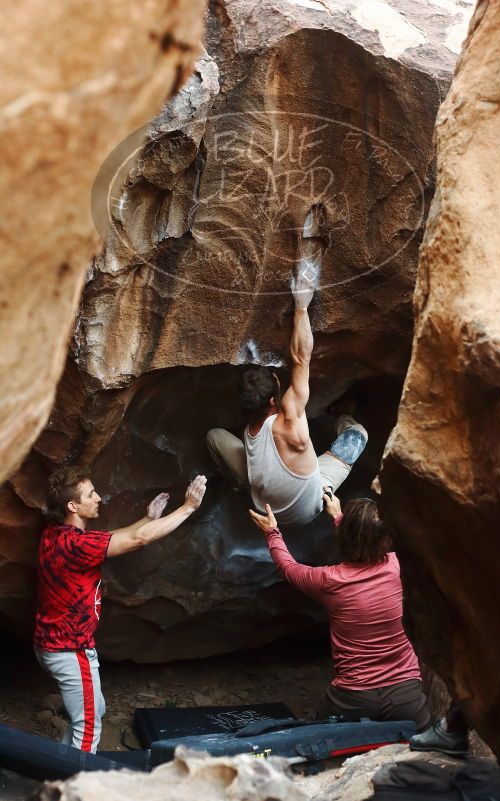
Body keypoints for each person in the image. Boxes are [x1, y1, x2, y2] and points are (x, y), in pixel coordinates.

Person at [207, 207, 368, 526]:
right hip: (307, 508)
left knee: (214, 436)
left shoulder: (250, 429)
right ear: (272, 401)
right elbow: (301, 356)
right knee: (358, 435)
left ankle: (237, 482)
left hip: (266, 506)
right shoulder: (291, 420)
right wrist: (301, 307)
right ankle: (342, 416)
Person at [34, 466, 206, 753]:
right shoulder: (74, 545)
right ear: (73, 505)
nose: (99, 497)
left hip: (54, 644)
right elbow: (139, 540)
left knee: (93, 710)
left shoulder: (58, 534)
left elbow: (112, 538)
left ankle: (56, 770)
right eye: (91, 494)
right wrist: (188, 508)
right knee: (88, 726)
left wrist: (147, 518)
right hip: (69, 650)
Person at [249, 494, 431, 731]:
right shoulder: (399, 566)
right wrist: (338, 517)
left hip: (352, 698)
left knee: (312, 735)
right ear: (386, 538)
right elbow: (369, 541)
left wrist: (272, 532)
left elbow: (289, 568)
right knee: (428, 749)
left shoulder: (329, 580)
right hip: (405, 695)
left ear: (343, 536)